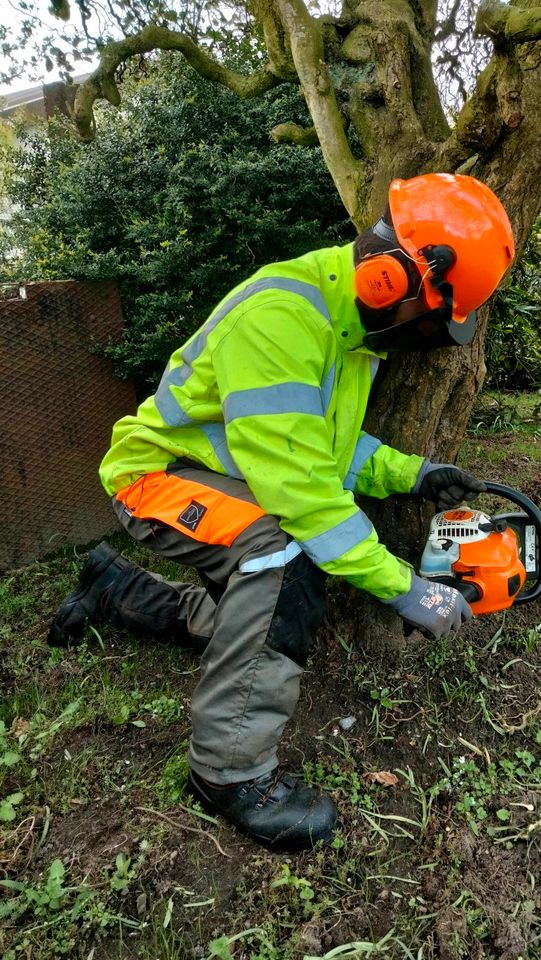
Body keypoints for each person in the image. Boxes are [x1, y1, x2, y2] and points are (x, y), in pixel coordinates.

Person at [48, 173, 515, 852]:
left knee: (253, 607)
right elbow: (302, 492)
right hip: (153, 479)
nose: (428, 338)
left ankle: (114, 588)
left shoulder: (347, 334)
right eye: (434, 319)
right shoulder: (282, 319)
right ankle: (228, 773)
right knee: (282, 554)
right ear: (392, 281)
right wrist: (405, 588)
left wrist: (416, 474)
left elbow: (326, 446)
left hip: (219, 480)